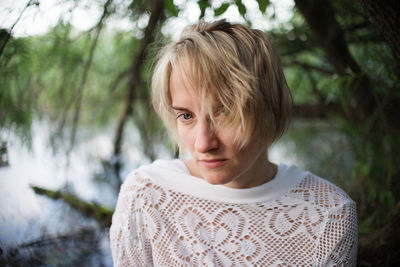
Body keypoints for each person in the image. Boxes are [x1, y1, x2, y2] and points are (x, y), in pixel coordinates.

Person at [109, 19, 358, 266]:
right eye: (186, 115)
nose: (203, 144)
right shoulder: (146, 194)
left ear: (269, 106)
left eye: (225, 111)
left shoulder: (330, 215)